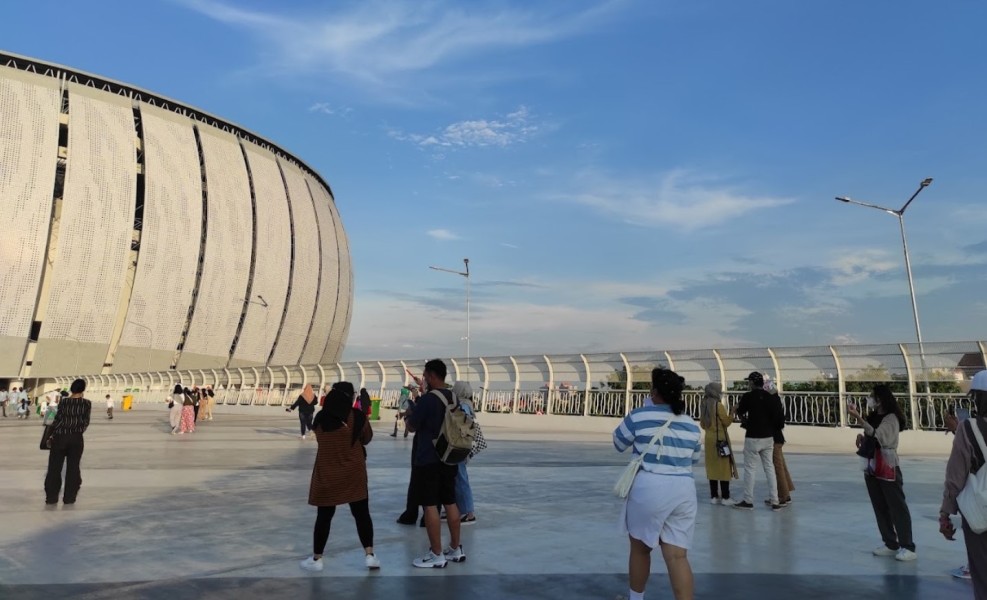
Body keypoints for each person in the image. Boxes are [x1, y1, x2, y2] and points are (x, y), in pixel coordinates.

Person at [613, 368, 702, 600]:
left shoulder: (639, 416)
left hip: (650, 488)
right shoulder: (691, 424)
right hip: (683, 491)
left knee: (641, 550)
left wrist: (645, 412)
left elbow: (618, 442)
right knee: (677, 557)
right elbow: (693, 458)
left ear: (654, 391)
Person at [299, 381, 379, 572]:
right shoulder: (357, 417)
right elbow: (366, 438)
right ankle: (370, 555)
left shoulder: (320, 419)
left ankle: (317, 559)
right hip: (354, 474)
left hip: (328, 474)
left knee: (324, 517)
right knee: (361, 514)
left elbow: (320, 437)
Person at [405, 359, 464, 568]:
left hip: (429, 458)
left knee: (429, 505)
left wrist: (409, 414)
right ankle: (456, 548)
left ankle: (436, 553)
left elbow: (412, 427)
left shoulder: (429, 400)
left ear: (431, 375)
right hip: (450, 457)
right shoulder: (453, 397)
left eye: (425, 375)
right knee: (450, 502)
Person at [848, 384, 916, 561]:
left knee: (897, 506)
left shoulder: (891, 418)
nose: (869, 399)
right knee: (879, 505)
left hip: (887, 464)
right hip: (871, 465)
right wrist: (862, 437)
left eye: (872, 396)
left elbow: (880, 436)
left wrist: (858, 418)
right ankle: (890, 542)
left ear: (880, 399)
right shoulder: (874, 416)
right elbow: (871, 435)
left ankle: (907, 545)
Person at [940, 369, 987, 596]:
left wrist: (945, 514)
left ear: (978, 398)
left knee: (982, 573)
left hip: (979, 515)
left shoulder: (967, 429)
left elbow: (955, 477)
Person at [728, 372, 785, 511]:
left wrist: (737, 411)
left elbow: (740, 411)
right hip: (768, 437)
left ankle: (748, 501)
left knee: (750, 469)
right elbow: (778, 419)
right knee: (769, 468)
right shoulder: (770, 397)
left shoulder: (748, 397)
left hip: (752, 436)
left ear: (752, 383)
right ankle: (775, 500)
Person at [44, 378, 92, 505]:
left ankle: (51, 498)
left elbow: (55, 419)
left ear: (71, 388)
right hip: (76, 438)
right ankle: (69, 498)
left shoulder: (63, 403)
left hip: (60, 437)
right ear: (83, 389)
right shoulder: (87, 403)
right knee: (73, 468)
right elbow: (86, 422)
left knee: (54, 468)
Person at [699, 382, 736, 504]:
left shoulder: (704, 404)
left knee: (712, 467)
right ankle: (725, 497)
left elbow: (703, 424)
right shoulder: (718, 405)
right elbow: (726, 422)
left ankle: (714, 496)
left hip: (709, 439)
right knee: (724, 467)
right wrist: (732, 413)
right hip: (720, 440)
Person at [764, 377, 793, 506]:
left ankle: (782, 495)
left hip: (774, 438)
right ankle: (786, 492)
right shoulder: (777, 401)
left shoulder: (770, 403)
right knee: (782, 466)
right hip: (779, 437)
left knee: (777, 467)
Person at [452, 381, 478, 524]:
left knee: (461, 478)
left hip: (459, 447)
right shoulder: (467, 404)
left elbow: (461, 425)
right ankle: (459, 509)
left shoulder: (463, 405)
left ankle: (469, 513)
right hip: (462, 446)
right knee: (457, 478)